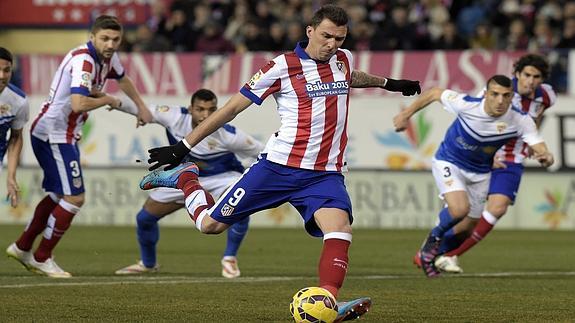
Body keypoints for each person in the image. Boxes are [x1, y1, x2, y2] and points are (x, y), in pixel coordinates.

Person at [140, 5, 420, 321]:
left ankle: (327, 303)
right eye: (327, 36)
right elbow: (231, 108)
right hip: (277, 168)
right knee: (210, 226)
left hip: (324, 174)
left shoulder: (342, 59)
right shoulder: (281, 67)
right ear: (310, 31)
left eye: (339, 38)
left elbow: (350, 77)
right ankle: (186, 178)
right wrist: (183, 147)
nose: (332, 44)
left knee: (340, 229)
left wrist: (390, 83)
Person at [6, 15, 153, 278]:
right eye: (105, 39)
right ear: (92, 37)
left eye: (116, 39)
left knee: (58, 195)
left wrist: (140, 106)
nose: (110, 44)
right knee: (75, 197)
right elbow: (78, 104)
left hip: (60, 133)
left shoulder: (107, 58)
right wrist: (109, 99)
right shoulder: (84, 60)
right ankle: (42, 256)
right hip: (55, 133)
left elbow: (123, 79)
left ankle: (23, 246)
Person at [394, 75, 554, 278]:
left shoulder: (520, 119)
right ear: (486, 94)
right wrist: (406, 115)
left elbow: (537, 144)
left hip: (480, 172)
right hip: (450, 161)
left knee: (467, 230)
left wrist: (546, 156)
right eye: (495, 94)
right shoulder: (467, 105)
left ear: (511, 97)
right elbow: (434, 93)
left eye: (506, 96)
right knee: (460, 209)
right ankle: (430, 243)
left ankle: (436, 252)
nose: (500, 100)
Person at [112, 89, 263, 277]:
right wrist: (111, 100)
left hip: (221, 178)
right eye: (200, 109)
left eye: (212, 110)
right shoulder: (174, 116)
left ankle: (229, 258)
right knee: (145, 218)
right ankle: (148, 264)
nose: (206, 115)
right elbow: (142, 109)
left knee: (240, 201)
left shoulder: (231, 135)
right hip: (183, 177)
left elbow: (263, 153)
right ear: (190, 109)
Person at [429, 54, 557, 273]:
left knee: (498, 208)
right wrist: (487, 154)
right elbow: (473, 119)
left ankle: (450, 255)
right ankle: (436, 248)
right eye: (527, 75)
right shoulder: (499, 92)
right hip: (487, 157)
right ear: (517, 74)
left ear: (542, 79)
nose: (531, 81)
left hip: (513, 159)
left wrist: (535, 146)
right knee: (465, 217)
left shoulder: (547, 96)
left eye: (536, 77)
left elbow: (536, 119)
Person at [0, 47, 29, 209]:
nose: (2, 76)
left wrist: (11, 175)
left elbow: (16, 137)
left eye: (7, 70)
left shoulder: (19, 101)